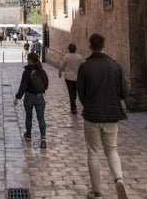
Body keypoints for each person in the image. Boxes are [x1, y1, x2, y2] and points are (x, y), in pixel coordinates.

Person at [77, 33, 129, 199]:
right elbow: (124, 93)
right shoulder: (115, 66)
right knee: (112, 149)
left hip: (92, 115)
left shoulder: (85, 67)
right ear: (103, 45)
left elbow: (81, 93)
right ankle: (118, 179)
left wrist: (89, 104)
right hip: (112, 115)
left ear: (90, 47)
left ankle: (96, 191)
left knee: (93, 152)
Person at [13, 52, 49, 148]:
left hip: (29, 97)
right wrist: (41, 90)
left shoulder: (27, 72)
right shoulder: (41, 71)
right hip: (39, 97)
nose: (26, 60)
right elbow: (46, 84)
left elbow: (23, 86)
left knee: (29, 117)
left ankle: (28, 134)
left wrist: (17, 97)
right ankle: (43, 137)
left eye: (27, 58)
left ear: (30, 60)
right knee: (41, 118)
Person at [58, 43, 84, 114]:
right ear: (75, 49)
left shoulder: (67, 56)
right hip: (78, 78)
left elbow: (61, 65)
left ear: (69, 49)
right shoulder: (79, 57)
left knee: (71, 92)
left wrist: (59, 73)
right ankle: (81, 106)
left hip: (69, 78)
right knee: (79, 92)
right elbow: (83, 66)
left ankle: (73, 108)